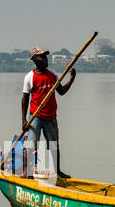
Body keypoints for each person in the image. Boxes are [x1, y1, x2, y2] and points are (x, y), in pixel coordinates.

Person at [21, 47, 77, 183]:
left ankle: (57, 171)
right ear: (34, 60)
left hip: (51, 116)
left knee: (54, 144)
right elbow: (25, 98)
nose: (46, 60)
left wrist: (72, 79)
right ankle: (27, 172)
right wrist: (23, 119)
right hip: (35, 115)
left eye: (46, 57)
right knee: (31, 144)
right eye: (42, 57)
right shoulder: (30, 77)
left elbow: (61, 91)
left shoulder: (52, 74)